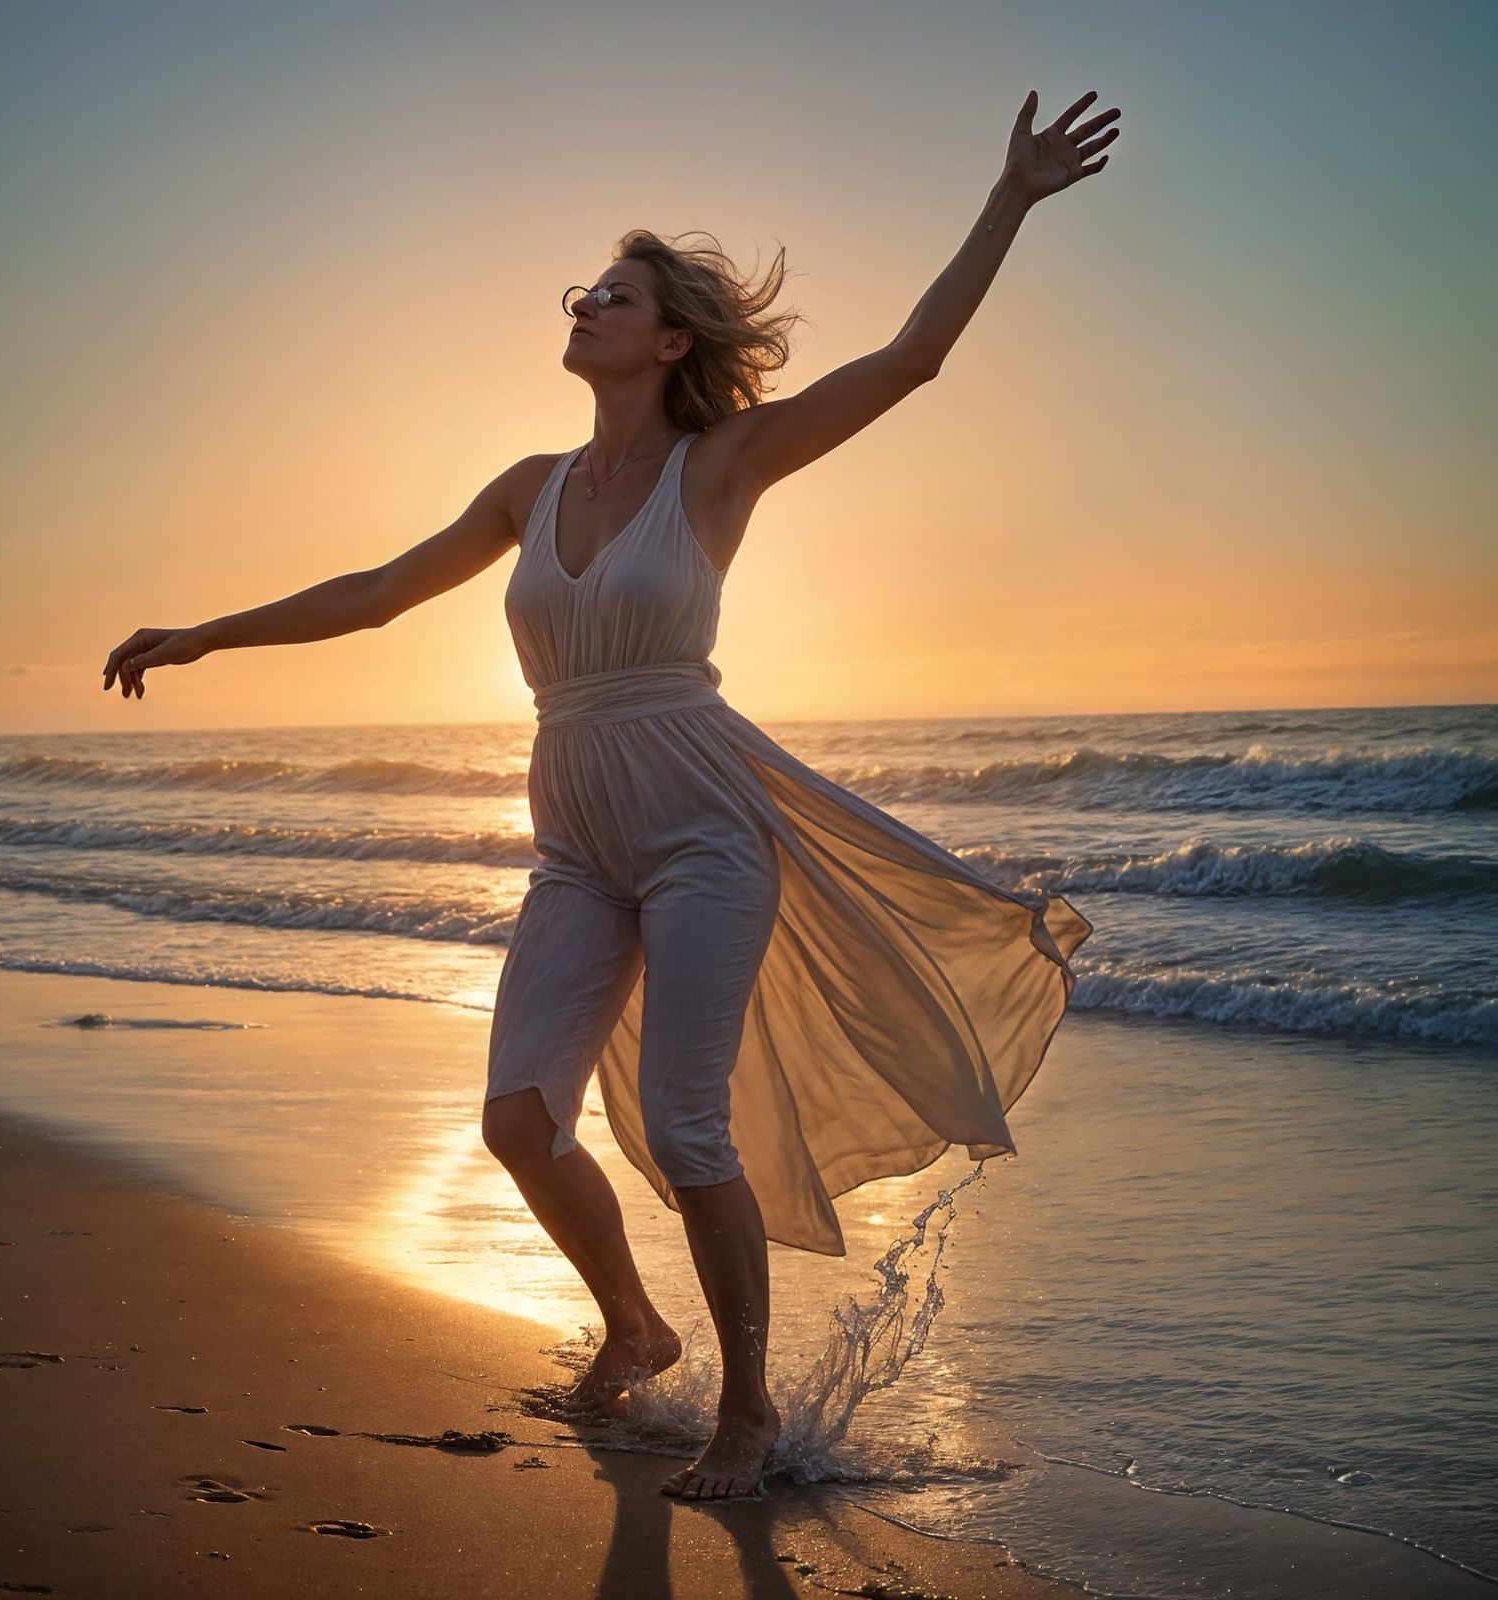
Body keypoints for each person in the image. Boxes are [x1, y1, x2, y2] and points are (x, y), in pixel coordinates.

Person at [103, 90, 1118, 1502]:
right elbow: (379, 595)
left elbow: (914, 361)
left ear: (672, 338)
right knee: (519, 1120)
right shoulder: (531, 486)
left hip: (706, 830)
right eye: (584, 292)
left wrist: (1009, 196)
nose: (585, 309)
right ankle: (636, 1326)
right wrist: (208, 633)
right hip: (577, 843)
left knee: (687, 1124)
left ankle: (749, 1411)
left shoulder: (722, 466)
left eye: (614, 296)